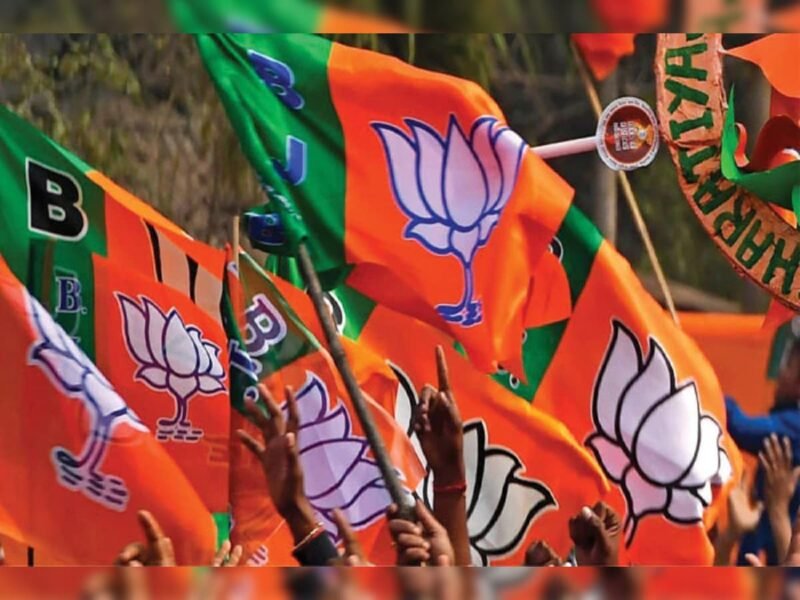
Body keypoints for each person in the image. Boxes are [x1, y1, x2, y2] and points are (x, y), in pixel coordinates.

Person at [725, 337, 800, 564]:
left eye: (788, 365)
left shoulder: (793, 425)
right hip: (768, 523)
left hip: (775, 533)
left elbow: (740, 427)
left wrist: (703, 386)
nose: (781, 373)